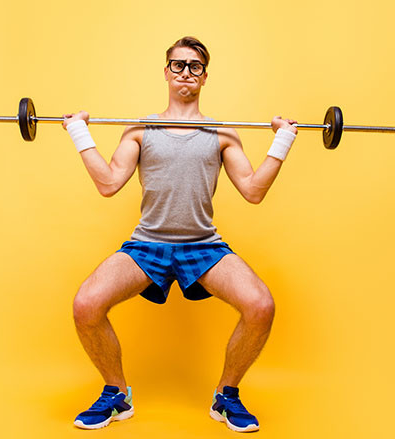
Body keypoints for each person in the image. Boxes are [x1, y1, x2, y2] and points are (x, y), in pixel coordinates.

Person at [62, 36, 297, 433]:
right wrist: (78, 133)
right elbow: (108, 183)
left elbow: (254, 191)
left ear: (204, 77)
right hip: (147, 244)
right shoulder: (139, 131)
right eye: (178, 65)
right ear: (166, 71)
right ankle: (117, 394)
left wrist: (283, 139)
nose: (186, 72)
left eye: (195, 66)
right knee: (86, 304)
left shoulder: (222, 135)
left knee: (261, 305)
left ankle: (227, 395)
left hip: (202, 246)